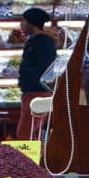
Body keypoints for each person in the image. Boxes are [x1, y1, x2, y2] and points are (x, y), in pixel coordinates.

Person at [16, 7, 56, 140]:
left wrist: (24, 73)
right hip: (33, 92)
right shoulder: (36, 40)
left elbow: (44, 69)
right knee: (32, 134)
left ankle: (31, 160)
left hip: (37, 93)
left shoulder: (42, 42)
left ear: (31, 23)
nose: (21, 24)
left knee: (26, 134)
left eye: (24, 20)